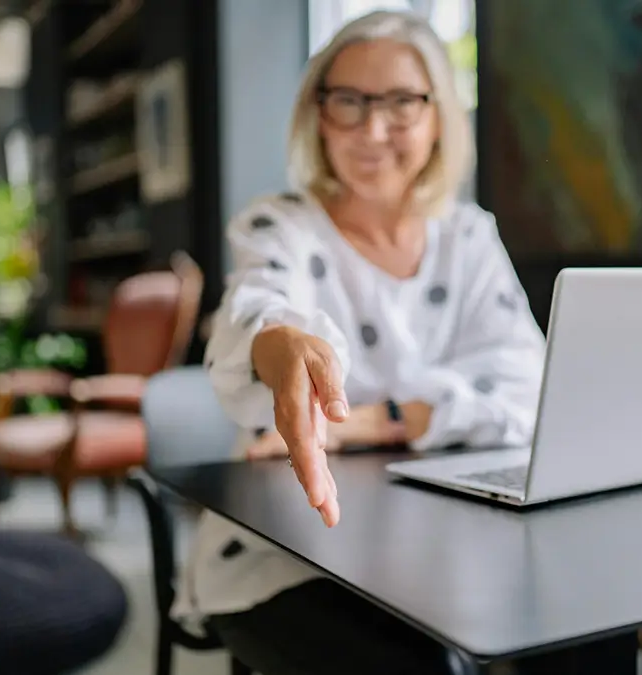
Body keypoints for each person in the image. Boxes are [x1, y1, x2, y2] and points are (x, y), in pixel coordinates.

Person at [173, 10, 547, 674]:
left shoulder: (469, 234)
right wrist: (281, 343)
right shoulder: (280, 225)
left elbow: (527, 385)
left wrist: (378, 419)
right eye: (349, 102)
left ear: (439, 116)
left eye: (401, 102)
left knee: (562, 626)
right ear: (318, 114)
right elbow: (258, 309)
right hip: (287, 555)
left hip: (445, 542)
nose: (374, 131)